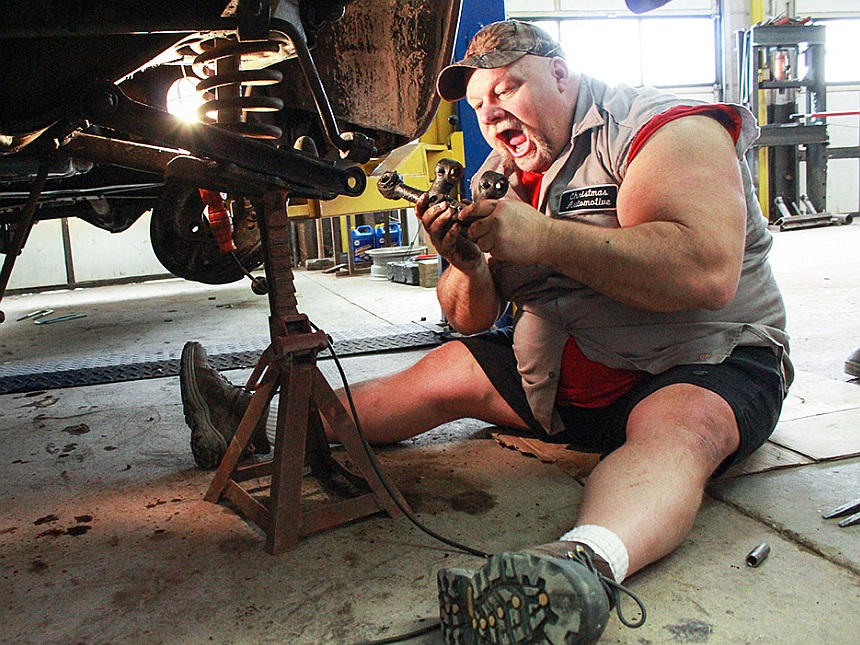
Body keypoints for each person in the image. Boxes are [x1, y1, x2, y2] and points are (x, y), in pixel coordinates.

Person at [180, 20, 792, 644]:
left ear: (561, 74)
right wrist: (467, 265)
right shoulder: (500, 175)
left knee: (682, 429)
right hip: (560, 376)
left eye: (506, 89)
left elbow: (704, 272)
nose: (491, 114)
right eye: (478, 104)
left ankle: (578, 568)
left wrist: (544, 237)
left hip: (697, 362)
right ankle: (253, 425)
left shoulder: (664, 129)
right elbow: (466, 317)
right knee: (444, 369)